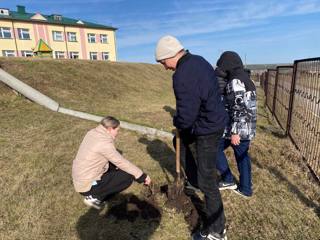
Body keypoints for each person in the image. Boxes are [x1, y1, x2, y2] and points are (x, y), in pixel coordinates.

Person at [155, 35, 228, 240]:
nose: (165, 67)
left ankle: (217, 230)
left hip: (207, 128)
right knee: (178, 142)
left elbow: (186, 114)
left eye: (163, 62)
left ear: (170, 56)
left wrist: (178, 124)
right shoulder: (199, 60)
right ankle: (194, 181)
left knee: (208, 182)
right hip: (211, 119)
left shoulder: (182, 74)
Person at [72, 116, 151, 210]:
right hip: (86, 185)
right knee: (127, 177)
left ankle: (99, 191)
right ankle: (93, 197)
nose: (117, 133)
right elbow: (121, 162)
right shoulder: (104, 143)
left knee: (115, 168)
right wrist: (142, 176)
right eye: (117, 130)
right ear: (109, 129)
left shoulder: (92, 133)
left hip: (80, 176)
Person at [215, 51, 257, 198]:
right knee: (243, 157)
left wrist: (235, 132)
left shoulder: (235, 81)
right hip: (248, 127)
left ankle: (228, 180)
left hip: (238, 129)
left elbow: (238, 108)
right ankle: (246, 189)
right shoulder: (246, 79)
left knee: (214, 148)